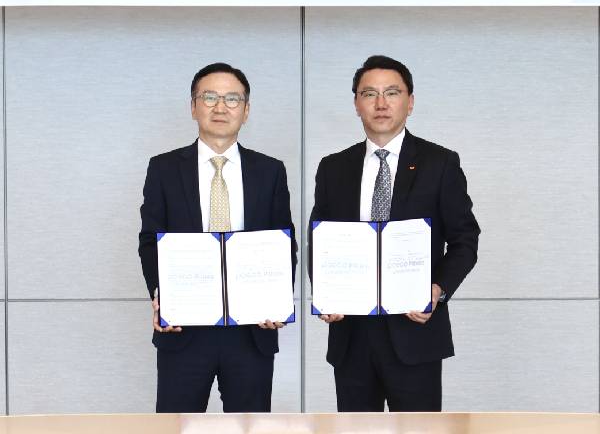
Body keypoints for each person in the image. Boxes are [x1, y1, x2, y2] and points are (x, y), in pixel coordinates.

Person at [308, 55, 479, 412]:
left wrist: (438, 289)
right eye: (369, 93)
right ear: (357, 104)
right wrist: (325, 292)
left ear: (410, 102)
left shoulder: (440, 163)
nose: (381, 103)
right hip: (352, 334)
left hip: (415, 332)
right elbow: (318, 241)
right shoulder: (334, 167)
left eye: (392, 92)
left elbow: (465, 239)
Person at [139, 62, 296, 413]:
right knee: (177, 427)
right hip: (184, 327)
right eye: (209, 97)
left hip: (251, 330)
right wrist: (161, 296)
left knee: (251, 427)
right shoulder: (164, 168)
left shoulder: (270, 170)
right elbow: (150, 240)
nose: (221, 107)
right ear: (193, 107)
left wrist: (278, 301)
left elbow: (284, 242)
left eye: (232, 99)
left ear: (246, 110)